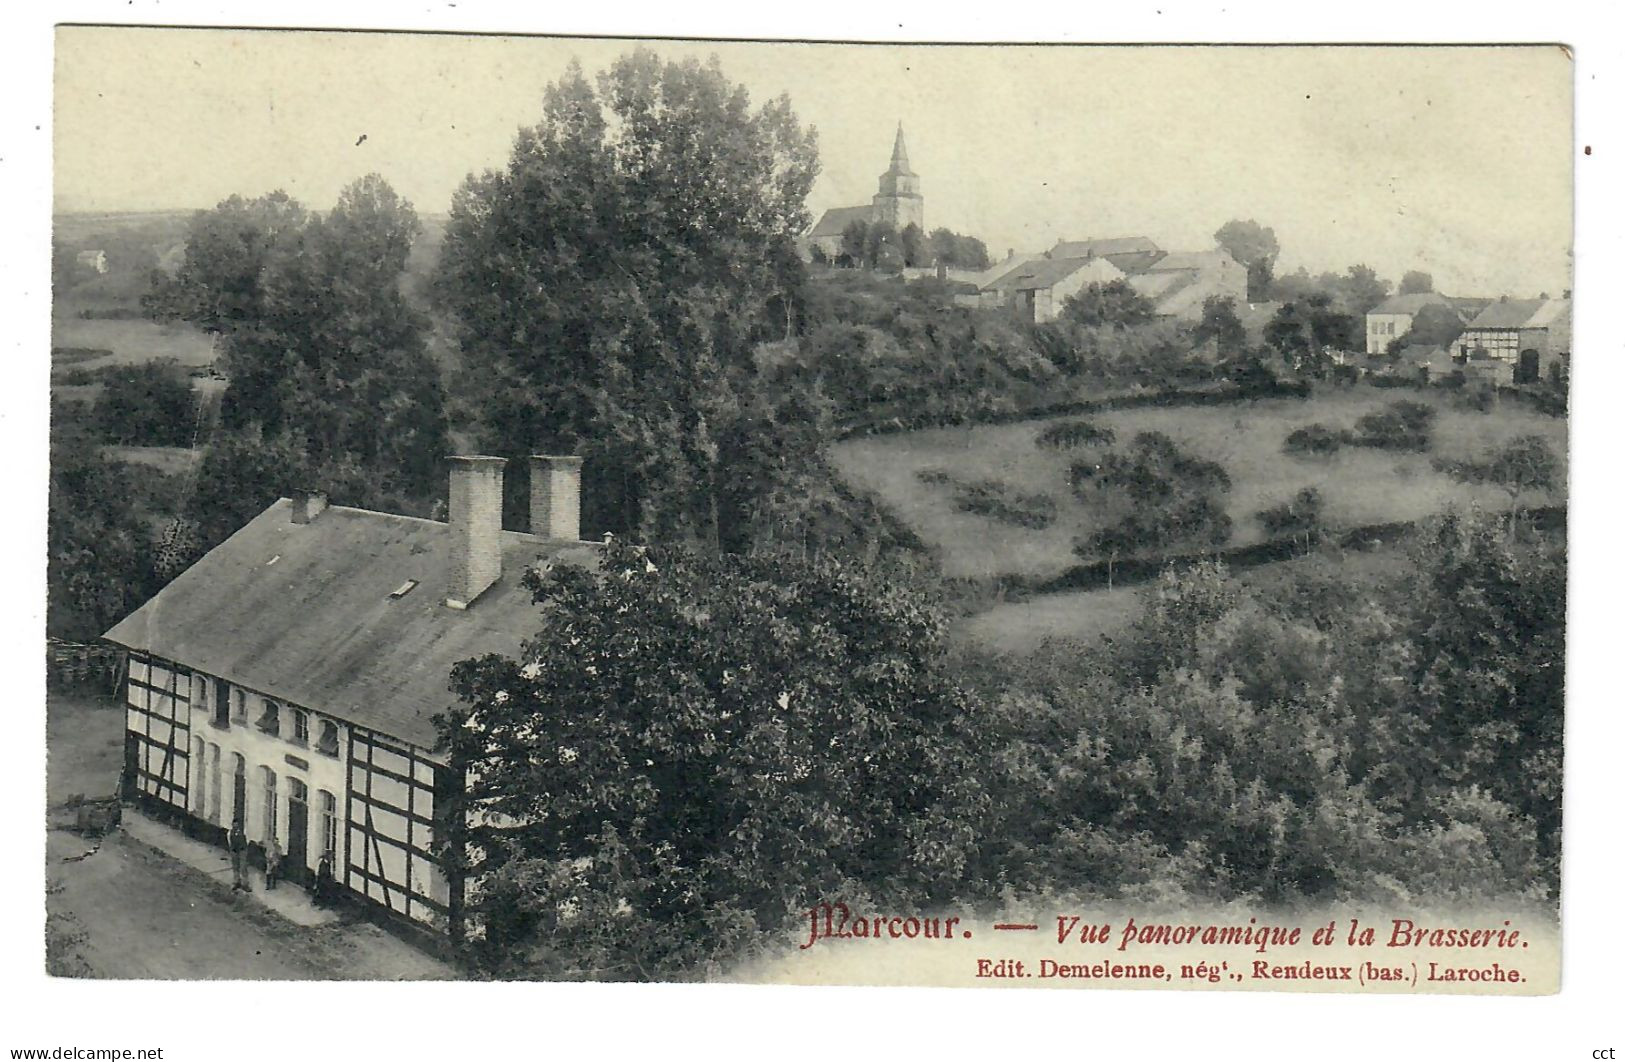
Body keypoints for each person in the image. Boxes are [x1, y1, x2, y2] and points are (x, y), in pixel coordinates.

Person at [227, 822, 250, 892]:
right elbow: (229, 842)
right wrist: (232, 850)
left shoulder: (243, 832)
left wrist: (244, 849)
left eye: (237, 824)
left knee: (243, 867)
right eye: (234, 825)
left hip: (242, 851)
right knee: (235, 866)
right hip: (234, 851)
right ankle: (236, 882)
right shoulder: (229, 833)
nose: (235, 826)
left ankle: (245, 884)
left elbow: (247, 840)